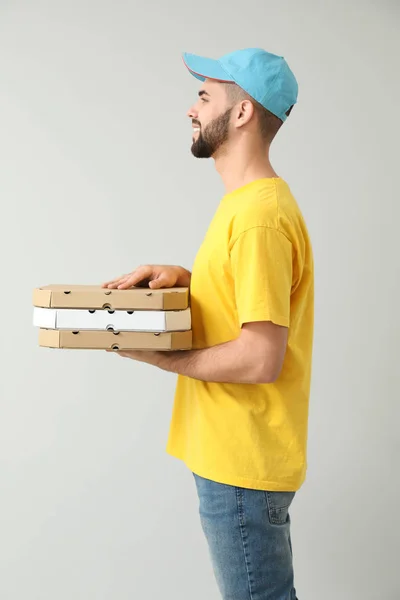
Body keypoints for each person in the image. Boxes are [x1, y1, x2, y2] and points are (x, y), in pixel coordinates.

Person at [102, 48, 314, 600]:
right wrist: (190, 279)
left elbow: (260, 357)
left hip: (241, 463)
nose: (190, 110)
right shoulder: (247, 208)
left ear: (242, 113)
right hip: (232, 456)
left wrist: (158, 356)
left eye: (203, 97)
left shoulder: (257, 218)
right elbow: (252, 301)